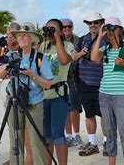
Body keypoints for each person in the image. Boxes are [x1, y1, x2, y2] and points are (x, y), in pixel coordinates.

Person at [0, 22, 54, 165]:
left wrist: (32, 74)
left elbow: (48, 84)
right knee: (15, 139)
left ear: (33, 38)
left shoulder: (40, 58)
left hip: (34, 102)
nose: (21, 38)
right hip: (14, 100)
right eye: (19, 35)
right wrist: (8, 64)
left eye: (25, 35)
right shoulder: (12, 55)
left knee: (37, 141)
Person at [91, 17, 124, 165]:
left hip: (123, 95)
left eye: (114, 28)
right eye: (108, 29)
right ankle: (111, 162)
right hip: (105, 94)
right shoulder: (104, 49)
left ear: (120, 30)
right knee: (109, 132)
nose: (111, 31)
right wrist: (100, 35)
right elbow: (94, 58)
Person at [0, 23, 35, 165]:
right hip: (9, 93)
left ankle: (28, 160)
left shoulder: (25, 51)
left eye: (13, 35)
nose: (10, 39)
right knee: (13, 129)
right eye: (8, 36)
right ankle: (15, 159)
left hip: (24, 94)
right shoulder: (7, 53)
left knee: (26, 131)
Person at [38, 19, 74, 165]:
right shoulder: (42, 46)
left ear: (60, 30)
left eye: (53, 28)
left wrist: (58, 38)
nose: (50, 31)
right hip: (43, 95)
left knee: (58, 134)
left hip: (59, 94)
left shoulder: (69, 45)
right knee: (46, 136)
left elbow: (64, 60)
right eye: (48, 28)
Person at [73, 12, 107, 157]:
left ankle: (106, 143)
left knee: (104, 115)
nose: (92, 25)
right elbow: (73, 57)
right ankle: (93, 143)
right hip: (85, 84)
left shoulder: (107, 40)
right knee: (89, 114)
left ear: (102, 23)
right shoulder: (81, 40)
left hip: (102, 84)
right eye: (90, 22)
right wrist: (81, 53)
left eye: (96, 22)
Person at [61, 18, 85, 148]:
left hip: (74, 77)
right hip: (60, 78)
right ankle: (68, 136)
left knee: (74, 108)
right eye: (64, 27)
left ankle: (76, 135)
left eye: (69, 26)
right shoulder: (56, 40)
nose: (67, 29)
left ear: (72, 27)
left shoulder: (79, 40)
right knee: (65, 108)